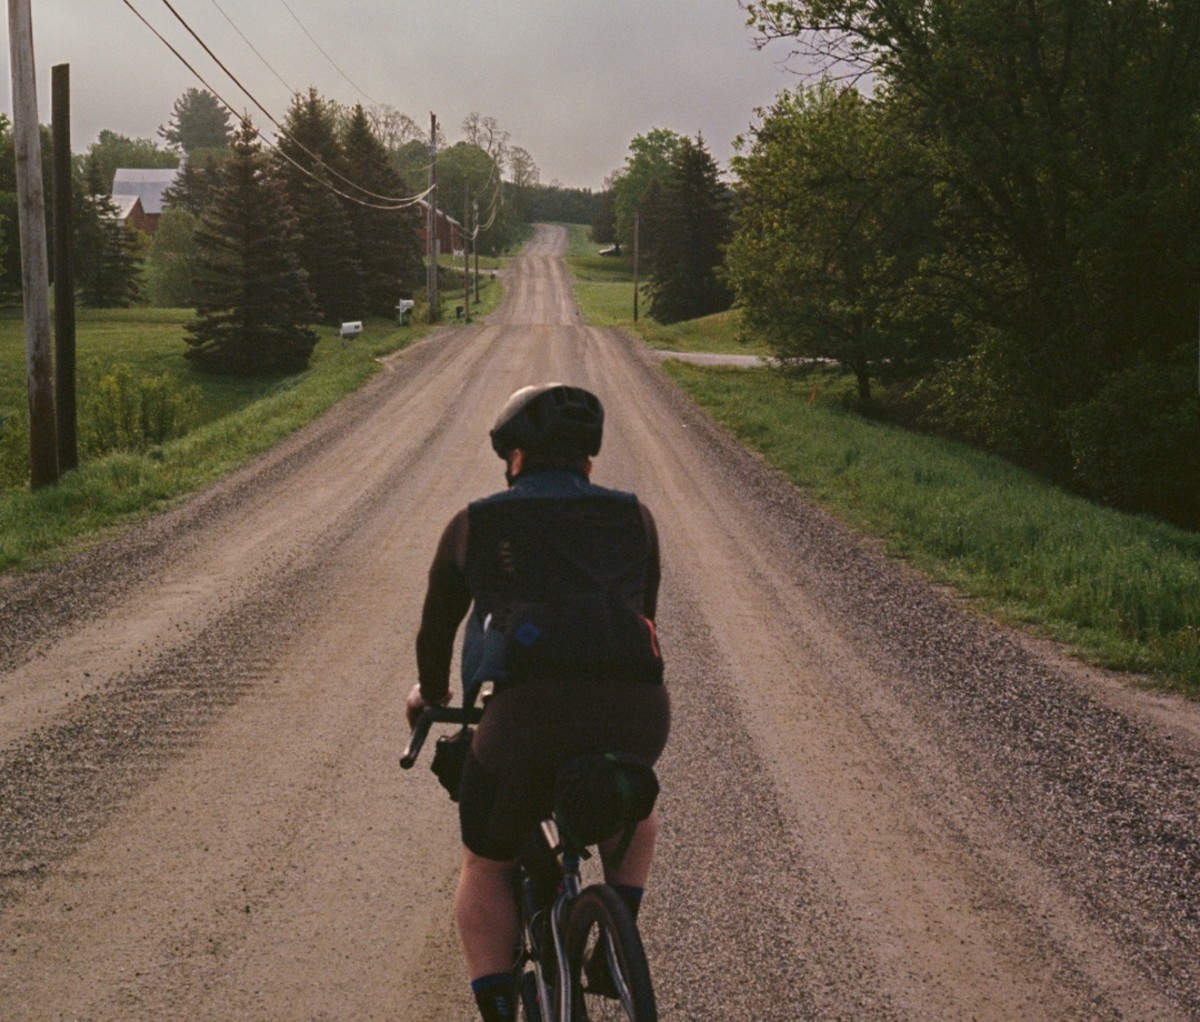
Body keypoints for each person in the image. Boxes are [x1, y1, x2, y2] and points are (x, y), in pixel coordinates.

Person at [408, 382, 670, 1022]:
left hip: (527, 717)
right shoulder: (636, 517)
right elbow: (645, 617)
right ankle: (613, 942)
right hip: (637, 705)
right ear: (588, 461)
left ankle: (498, 1005)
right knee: (632, 811)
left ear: (516, 458)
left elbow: (435, 632)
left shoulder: (476, 523)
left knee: (486, 858)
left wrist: (431, 694)